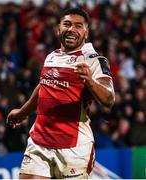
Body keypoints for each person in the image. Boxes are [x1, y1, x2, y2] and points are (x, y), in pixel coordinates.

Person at [7, 8, 115, 179]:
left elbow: (109, 99)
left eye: (78, 26)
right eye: (67, 24)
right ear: (59, 29)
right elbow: (44, 87)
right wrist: (21, 112)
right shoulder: (52, 56)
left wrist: (90, 81)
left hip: (73, 148)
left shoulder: (94, 60)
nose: (72, 29)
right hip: (39, 142)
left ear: (86, 33)